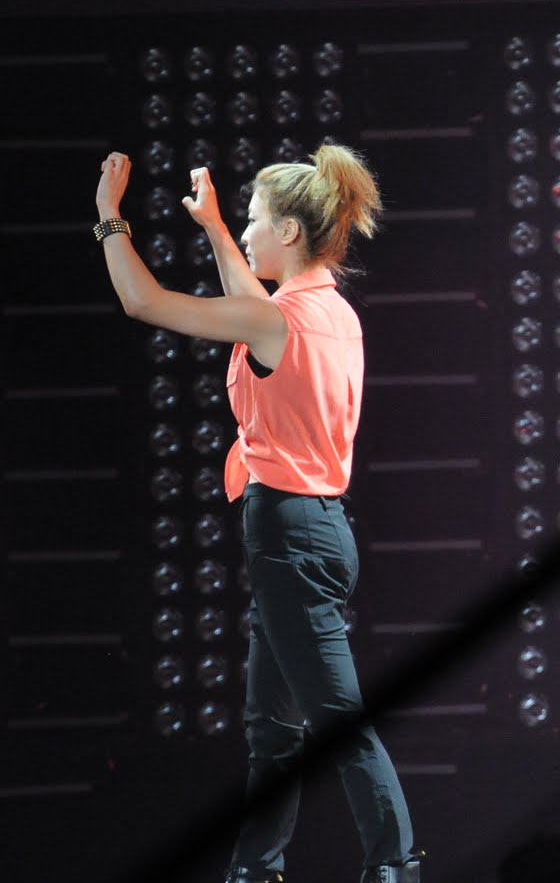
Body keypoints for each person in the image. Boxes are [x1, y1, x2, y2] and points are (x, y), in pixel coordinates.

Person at [93, 148, 423, 883]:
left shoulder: (278, 320)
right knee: (272, 728)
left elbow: (144, 301)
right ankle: (255, 869)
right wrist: (213, 226)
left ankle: (394, 864)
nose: (245, 234)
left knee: (334, 720)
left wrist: (109, 216)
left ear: (290, 231)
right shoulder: (331, 313)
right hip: (314, 531)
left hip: (290, 535)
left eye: (251, 221)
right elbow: (257, 312)